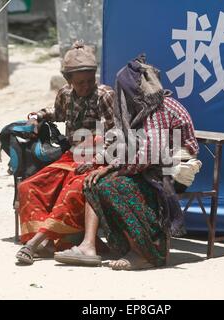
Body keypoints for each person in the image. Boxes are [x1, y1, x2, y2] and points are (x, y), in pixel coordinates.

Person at [54, 55, 201, 270]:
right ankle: (88, 246)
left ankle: (145, 252)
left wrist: (113, 169)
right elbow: (122, 144)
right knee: (93, 183)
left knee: (114, 185)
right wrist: (102, 164)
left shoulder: (158, 109)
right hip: (152, 169)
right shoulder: (140, 111)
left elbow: (148, 154)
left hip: (171, 173)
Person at [15, 40, 115, 265]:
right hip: (72, 156)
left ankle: (34, 243)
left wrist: (97, 159)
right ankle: (49, 243)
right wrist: (38, 116)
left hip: (99, 157)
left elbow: (116, 133)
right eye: (80, 83)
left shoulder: (105, 95)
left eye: (90, 81)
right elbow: (57, 113)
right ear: (69, 81)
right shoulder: (65, 94)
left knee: (74, 189)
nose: (86, 86)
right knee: (29, 186)